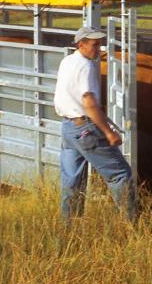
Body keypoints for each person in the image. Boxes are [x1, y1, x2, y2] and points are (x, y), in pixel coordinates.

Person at [54, 26, 136, 223]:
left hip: (68, 127)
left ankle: (69, 226)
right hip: (85, 128)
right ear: (81, 45)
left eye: (100, 44)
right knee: (120, 174)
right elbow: (89, 102)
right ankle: (130, 226)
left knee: (72, 180)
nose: (99, 49)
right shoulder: (87, 66)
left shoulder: (67, 61)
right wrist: (108, 133)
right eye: (94, 44)